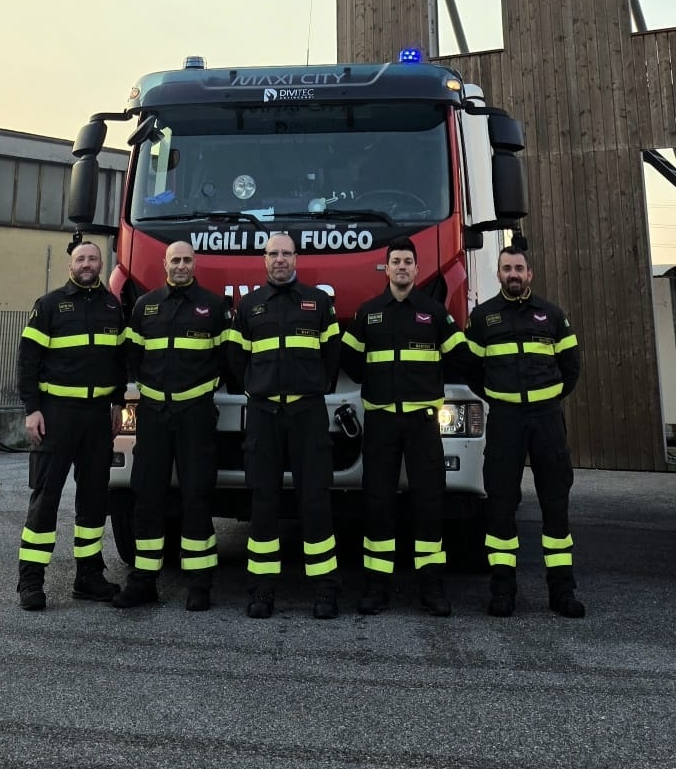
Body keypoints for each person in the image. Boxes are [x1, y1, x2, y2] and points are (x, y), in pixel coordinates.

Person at [341, 238, 466, 616]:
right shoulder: (368, 314)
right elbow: (349, 360)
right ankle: (376, 587)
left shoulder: (434, 313)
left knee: (429, 502)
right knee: (378, 502)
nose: (401, 267)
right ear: (387, 268)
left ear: (416, 268)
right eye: (395, 261)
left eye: (407, 262)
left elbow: (459, 356)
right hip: (381, 422)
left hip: (422, 424)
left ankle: (432, 588)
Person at [224, 233, 342, 619]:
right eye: (273, 253)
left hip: (307, 413)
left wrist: (312, 387)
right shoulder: (249, 306)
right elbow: (236, 359)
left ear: (296, 259)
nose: (279, 259)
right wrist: (257, 388)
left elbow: (332, 356)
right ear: (264, 259)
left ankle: (325, 590)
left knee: (315, 499)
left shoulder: (318, 302)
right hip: (264, 414)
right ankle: (262, 589)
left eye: (286, 253)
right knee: (264, 500)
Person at [465, 246, 585, 618]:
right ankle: (502, 592)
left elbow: (571, 367)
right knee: (501, 504)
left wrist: (547, 398)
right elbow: (472, 371)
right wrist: (502, 398)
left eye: (519, 268)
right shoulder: (482, 319)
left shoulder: (553, 316)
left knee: (555, 503)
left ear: (529, 274)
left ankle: (562, 592)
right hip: (505, 420)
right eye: (507, 268)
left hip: (546, 419)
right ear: (499, 275)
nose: (513, 274)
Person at [113, 241, 234, 612]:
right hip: (153, 413)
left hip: (196, 413)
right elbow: (131, 356)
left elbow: (228, 360)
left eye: (186, 260)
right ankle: (143, 581)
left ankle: (200, 583)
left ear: (194, 264)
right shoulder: (145, 306)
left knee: (197, 495)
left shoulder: (214, 307)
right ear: (164, 264)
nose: (181, 265)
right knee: (147, 494)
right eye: (175, 260)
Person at [16, 241, 126, 610]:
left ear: (101, 264)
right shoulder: (49, 305)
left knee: (94, 499)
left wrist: (118, 402)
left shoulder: (112, 307)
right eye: (80, 259)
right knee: (46, 496)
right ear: (70, 266)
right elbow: (28, 360)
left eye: (93, 258)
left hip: (97, 416)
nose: (86, 264)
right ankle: (31, 581)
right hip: (57, 414)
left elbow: (119, 361)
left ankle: (89, 576)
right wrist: (32, 409)